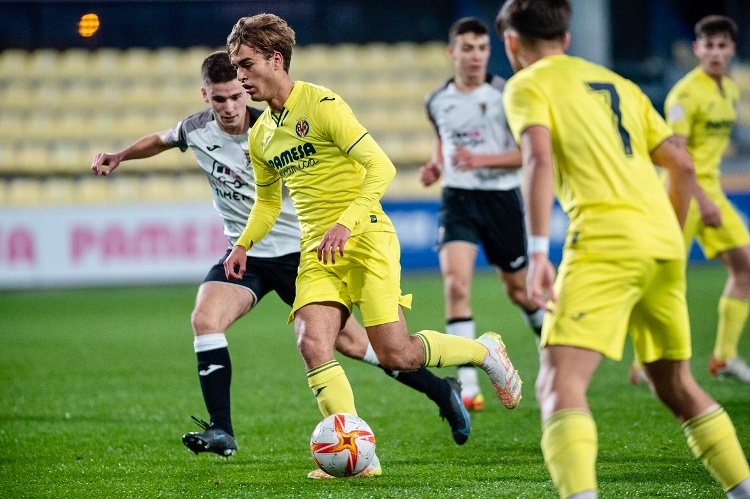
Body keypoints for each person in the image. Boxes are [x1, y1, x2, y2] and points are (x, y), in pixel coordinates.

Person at [90, 51, 474, 460]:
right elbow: (160, 139)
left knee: (352, 344)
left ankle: (439, 388)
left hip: (300, 252)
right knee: (205, 318)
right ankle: (222, 428)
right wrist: (120, 156)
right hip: (248, 254)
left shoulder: (273, 128)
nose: (230, 107)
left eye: (237, 97)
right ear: (205, 96)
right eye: (220, 99)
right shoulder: (196, 130)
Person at [224, 13, 522, 479]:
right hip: (316, 252)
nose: (239, 76)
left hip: (365, 239)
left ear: (274, 59)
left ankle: (483, 351)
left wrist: (345, 223)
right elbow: (267, 203)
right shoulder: (260, 134)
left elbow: (380, 167)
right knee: (312, 342)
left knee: (396, 354)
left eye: (245, 64)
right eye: (234, 66)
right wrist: (243, 244)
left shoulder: (322, 104)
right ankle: (358, 454)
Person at [496, 1, 750, 498]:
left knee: (558, 384)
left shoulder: (527, 84)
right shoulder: (620, 84)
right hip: (661, 241)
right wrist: (669, 241)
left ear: (510, 43)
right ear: (566, 38)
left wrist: (539, 250)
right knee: (675, 383)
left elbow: (538, 157)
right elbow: (680, 163)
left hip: (605, 238)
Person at [420, 16, 545, 411]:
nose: (475, 56)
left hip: (501, 200)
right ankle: (470, 384)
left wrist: (481, 159)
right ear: (452, 52)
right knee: (456, 286)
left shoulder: (507, 95)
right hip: (458, 199)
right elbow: (445, 140)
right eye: (468, 49)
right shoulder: (437, 100)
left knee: (521, 292)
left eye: (482, 49)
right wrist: (437, 165)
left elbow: (528, 154)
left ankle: (553, 353)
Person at [662, 15, 750, 382]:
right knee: (666, 281)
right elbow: (676, 158)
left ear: (731, 49)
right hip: (682, 193)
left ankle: (725, 357)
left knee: (745, 267)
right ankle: (648, 363)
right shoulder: (684, 94)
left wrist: (712, 197)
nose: (715, 52)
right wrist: (703, 199)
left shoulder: (730, 90)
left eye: (721, 45)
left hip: (712, 190)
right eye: (708, 45)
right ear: (697, 49)